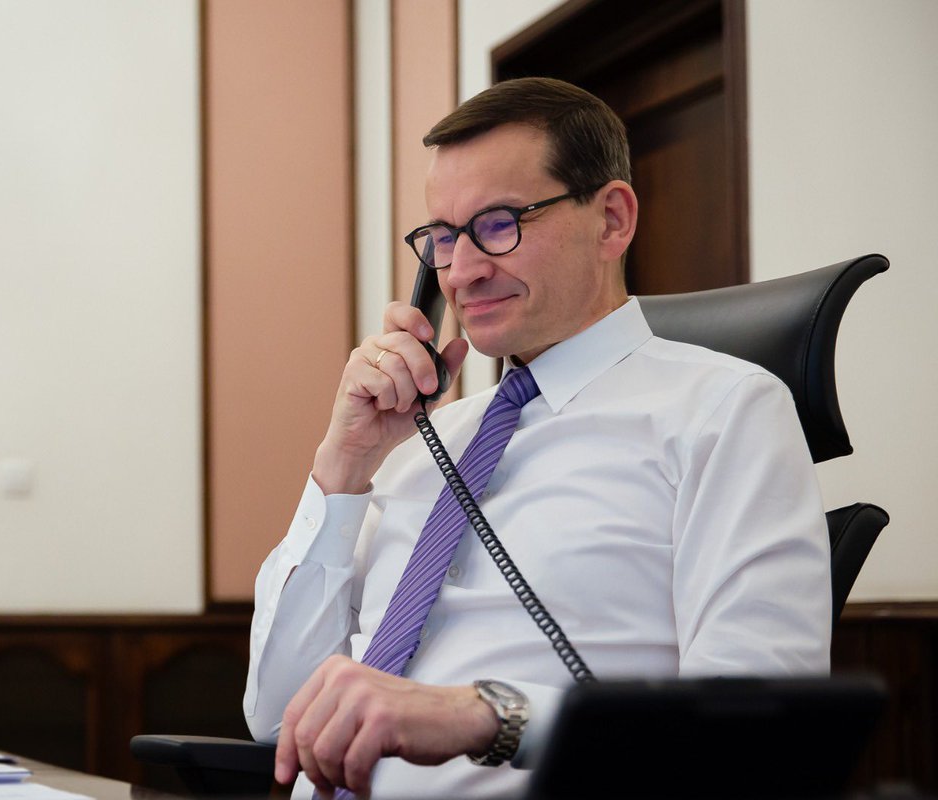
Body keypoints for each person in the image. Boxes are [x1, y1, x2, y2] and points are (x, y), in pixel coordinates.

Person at [244, 77, 830, 799]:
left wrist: (485, 715)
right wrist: (344, 466)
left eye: (498, 224)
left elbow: (755, 729)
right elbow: (277, 715)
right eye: (444, 238)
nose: (462, 272)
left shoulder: (725, 414)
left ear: (611, 220)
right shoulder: (417, 444)